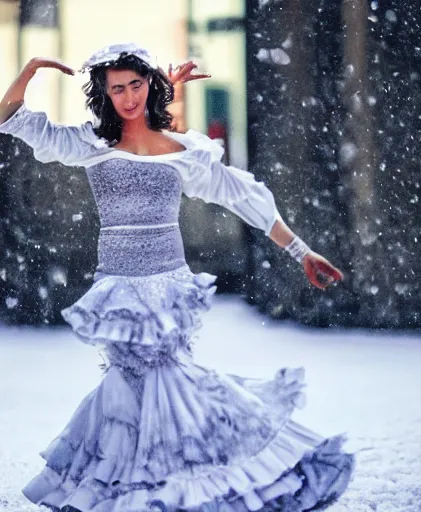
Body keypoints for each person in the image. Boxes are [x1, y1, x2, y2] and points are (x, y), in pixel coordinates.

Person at [0, 43, 354, 512]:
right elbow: (11, 118)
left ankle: (175, 484)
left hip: (169, 283)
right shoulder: (90, 143)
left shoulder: (184, 150)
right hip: (119, 288)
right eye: (117, 89)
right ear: (104, 94)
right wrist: (31, 69)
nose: (128, 97)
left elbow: (239, 195)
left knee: (164, 384)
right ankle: (149, 487)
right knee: (135, 386)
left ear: (150, 85)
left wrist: (300, 250)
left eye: (136, 85)